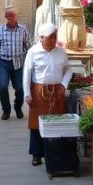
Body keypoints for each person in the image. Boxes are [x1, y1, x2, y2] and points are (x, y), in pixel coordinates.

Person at [23, 22, 73, 166]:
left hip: (57, 91)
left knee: (56, 122)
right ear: (41, 38)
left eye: (54, 37)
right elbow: (27, 74)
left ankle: (53, 153)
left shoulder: (61, 52)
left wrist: (64, 84)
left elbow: (68, 69)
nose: (53, 40)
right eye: (50, 37)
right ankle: (36, 154)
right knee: (36, 124)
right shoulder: (33, 52)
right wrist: (27, 94)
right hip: (39, 91)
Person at [0, 7, 32, 120]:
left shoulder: (23, 30)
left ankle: (18, 107)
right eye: (7, 16)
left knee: (19, 88)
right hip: (3, 62)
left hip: (18, 63)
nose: (9, 18)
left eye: (11, 16)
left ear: (16, 17)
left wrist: (32, 62)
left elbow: (29, 46)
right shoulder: (0, 29)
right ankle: (6, 110)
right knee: (3, 86)